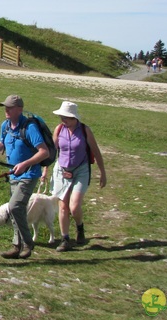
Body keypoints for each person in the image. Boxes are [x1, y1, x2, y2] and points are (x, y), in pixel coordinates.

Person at [0, 95, 49, 259]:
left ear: (19, 110)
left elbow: (44, 152)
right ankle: (17, 246)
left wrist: (25, 164)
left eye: (10, 107)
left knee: (14, 206)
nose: (6, 110)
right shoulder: (6, 126)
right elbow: (1, 143)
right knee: (17, 210)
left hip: (29, 174)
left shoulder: (29, 128)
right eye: (5, 107)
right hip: (13, 174)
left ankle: (28, 243)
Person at [48, 101, 106, 252]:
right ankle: (65, 239)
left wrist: (102, 172)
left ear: (74, 117)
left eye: (66, 117)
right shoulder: (59, 129)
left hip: (81, 170)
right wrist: (45, 169)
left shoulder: (85, 130)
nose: (63, 120)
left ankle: (79, 227)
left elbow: (96, 150)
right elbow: (52, 151)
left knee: (74, 207)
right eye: (61, 116)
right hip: (62, 170)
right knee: (63, 206)